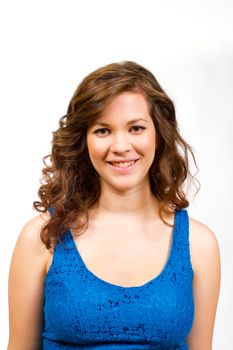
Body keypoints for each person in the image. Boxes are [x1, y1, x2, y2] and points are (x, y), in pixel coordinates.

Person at [8, 61, 221, 350]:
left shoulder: (199, 243)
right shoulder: (42, 237)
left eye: (136, 128)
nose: (121, 146)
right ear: (83, 141)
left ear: (158, 135)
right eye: (103, 130)